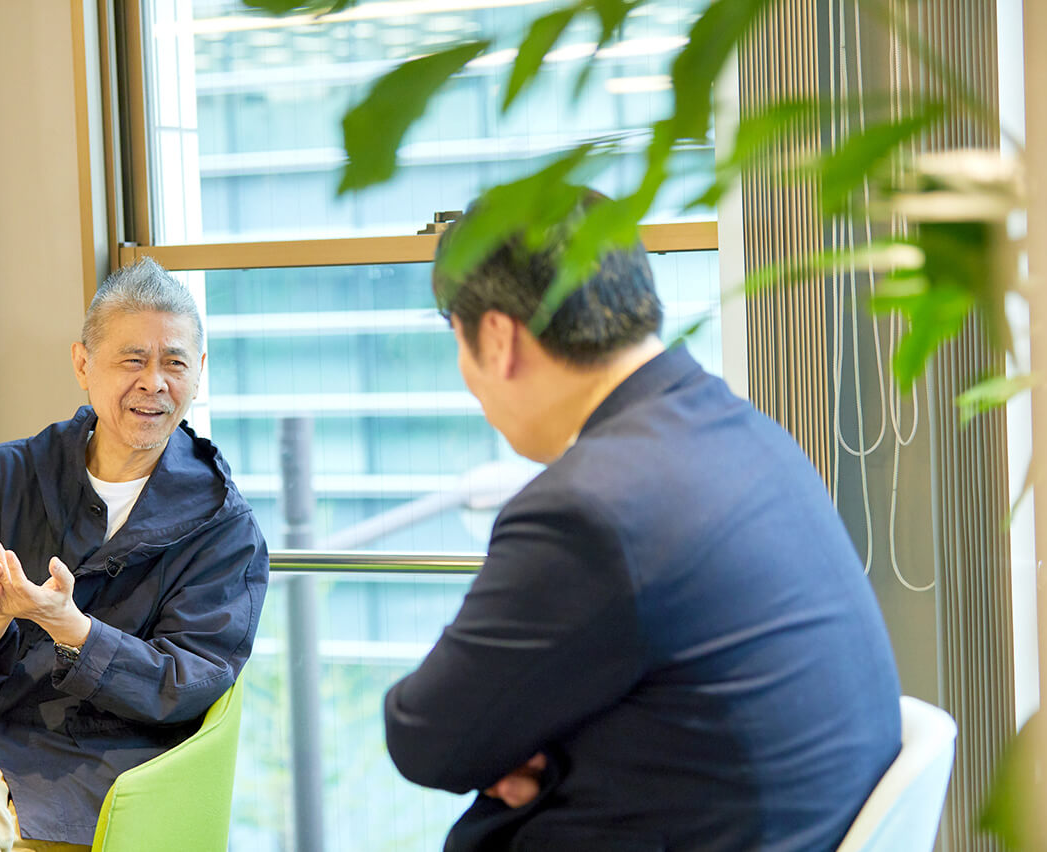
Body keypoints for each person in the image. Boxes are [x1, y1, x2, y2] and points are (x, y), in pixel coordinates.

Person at [383, 192, 902, 851]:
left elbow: (426, 739)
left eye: (455, 338)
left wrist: (510, 742)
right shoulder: (744, 433)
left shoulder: (590, 507)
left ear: (497, 337)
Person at [0, 258, 269, 851]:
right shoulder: (6, 475)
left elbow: (189, 679)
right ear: (82, 364)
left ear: (199, 372)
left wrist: (74, 629)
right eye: (132, 360)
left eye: (174, 363)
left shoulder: (223, 526)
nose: (154, 382)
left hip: (107, 762)